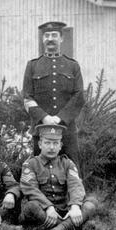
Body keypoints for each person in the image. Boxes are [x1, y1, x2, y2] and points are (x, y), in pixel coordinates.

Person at [21, 21, 86, 177]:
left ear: (61, 39)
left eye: (54, 35)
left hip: (67, 130)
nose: (50, 39)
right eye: (47, 35)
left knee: (72, 170)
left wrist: (60, 119)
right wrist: (44, 118)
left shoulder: (72, 66)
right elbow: (27, 96)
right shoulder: (33, 66)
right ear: (43, 39)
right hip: (41, 129)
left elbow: (79, 96)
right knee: (40, 170)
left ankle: (75, 200)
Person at [19, 124, 97, 230]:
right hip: (43, 212)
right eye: (47, 143)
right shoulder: (31, 164)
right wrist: (49, 207)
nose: (51, 147)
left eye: (55, 143)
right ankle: (71, 226)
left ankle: (59, 229)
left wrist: (75, 206)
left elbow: (75, 185)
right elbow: (31, 189)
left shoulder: (67, 163)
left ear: (60, 146)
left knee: (91, 203)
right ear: (40, 144)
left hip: (64, 211)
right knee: (31, 207)